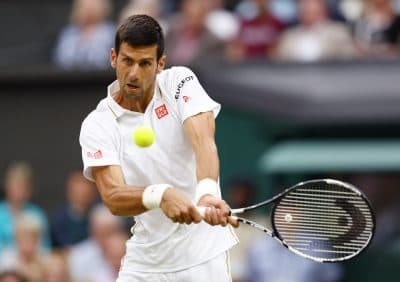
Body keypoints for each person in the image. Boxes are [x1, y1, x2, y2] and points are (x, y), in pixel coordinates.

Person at [79, 14, 238, 281]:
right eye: (127, 61)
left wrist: (208, 191)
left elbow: (204, 142)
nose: (133, 74)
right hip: (144, 264)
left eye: (145, 64)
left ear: (160, 64)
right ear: (113, 57)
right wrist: (161, 195)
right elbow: (113, 196)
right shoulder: (98, 124)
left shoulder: (179, 82)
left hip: (203, 259)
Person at [0, 162, 51, 253]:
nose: (19, 190)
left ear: (30, 189)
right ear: (7, 186)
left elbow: (45, 248)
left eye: (24, 186)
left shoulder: (38, 214)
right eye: (16, 185)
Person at [52, 0, 115, 70]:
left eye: (92, 5)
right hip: (69, 78)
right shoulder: (68, 33)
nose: (88, 9)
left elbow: (107, 60)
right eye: (85, 6)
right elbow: (61, 59)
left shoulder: (111, 32)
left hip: (102, 77)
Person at [50, 170, 98, 249]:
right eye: (78, 183)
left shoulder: (101, 216)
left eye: (86, 183)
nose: (82, 189)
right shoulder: (58, 218)